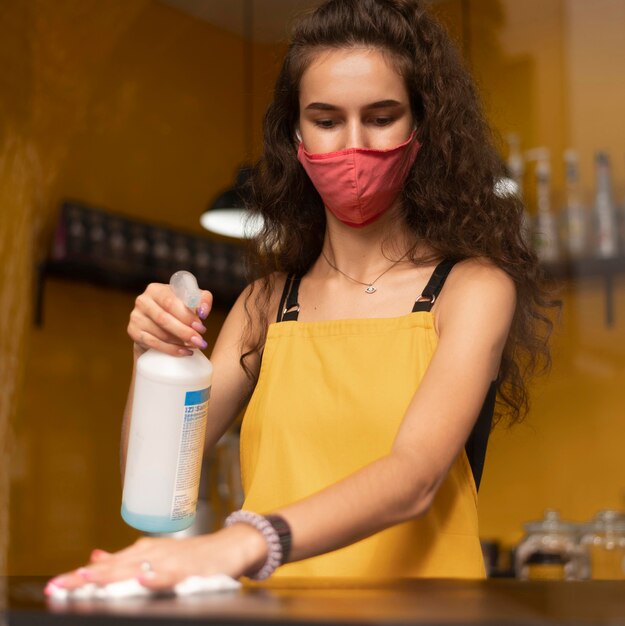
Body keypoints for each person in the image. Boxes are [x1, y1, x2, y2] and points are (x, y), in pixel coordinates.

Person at [49, 0, 554, 590]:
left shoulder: (470, 290)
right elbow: (154, 484)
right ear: (297, 132)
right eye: (327, 118)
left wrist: (242, 543)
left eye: (382, 115)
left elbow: (413, 477)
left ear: (422, 128)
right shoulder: (266, 304)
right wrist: (154, 357)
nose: (354, 144)